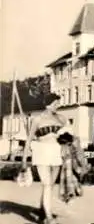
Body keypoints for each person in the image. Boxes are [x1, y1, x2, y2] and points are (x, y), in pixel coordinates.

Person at [21, 93, 70, 224]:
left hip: (57, 153)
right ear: (48, 104)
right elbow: (29, 139)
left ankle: (43, 211)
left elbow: (69, 137)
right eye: (55, 103)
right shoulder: (37, 119)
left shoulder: (62, 119)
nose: (57, 106)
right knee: (47, 184)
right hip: (42, 151)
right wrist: (25, 159)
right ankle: (48, 217)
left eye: (58, 103)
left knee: (50, 185)